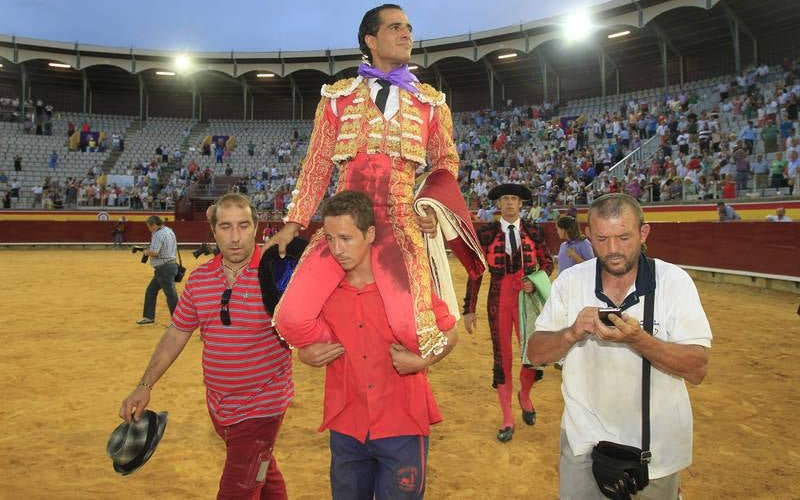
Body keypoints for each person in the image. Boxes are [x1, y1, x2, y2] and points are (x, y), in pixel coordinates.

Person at [269, 3, 484, 360]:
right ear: (371, 39)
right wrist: (294, 223)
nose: (407, 34)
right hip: (343, 226)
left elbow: (446, 163)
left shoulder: (431, 103)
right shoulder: (337, 98)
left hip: (399, 224)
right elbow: (317, 163)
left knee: (412, 330)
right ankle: (354, 346)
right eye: (395, 27)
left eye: (409, 28)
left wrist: (429, 203)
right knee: (290, 319)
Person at [527, 193, 712, 500]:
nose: (613, 250)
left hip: (657, 452)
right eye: (602, 239)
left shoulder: (674, 282)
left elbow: (697, 368)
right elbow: (535, 353)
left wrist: (639, 339)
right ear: (588, 236)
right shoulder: (570, 282)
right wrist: (571, 333)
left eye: (624, 237)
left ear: (643, 233)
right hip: (584, 445)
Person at [280, 191, 456, 499]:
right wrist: (305, 356)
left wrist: (423, 362)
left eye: (346, 238)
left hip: (402, 424)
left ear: (370, 234)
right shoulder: (321, 295)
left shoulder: (407, 287)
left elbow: (450, 334)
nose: (337, 249)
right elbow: (306, 340)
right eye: (330, 240)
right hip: (347, 428)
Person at [118, 193, 293, 499]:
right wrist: (144, 384)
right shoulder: (200, 280)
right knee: (263, 474)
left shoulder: (277, 275)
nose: (235, 237)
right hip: (219, 407)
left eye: (243, 225)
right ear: (213, 232)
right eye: (226, 227)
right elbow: (176, 333)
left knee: (238, 488)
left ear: (256, 228)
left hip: (262, 407)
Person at [463, 183, 553, 442]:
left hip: (527, 297)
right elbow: (476, 271)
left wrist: (535, 279)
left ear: (521, 204)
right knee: (502, 356)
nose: (510, 203)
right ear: (499, 204)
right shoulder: (488, 233)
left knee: (531, 351)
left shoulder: (534, 231)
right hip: (498, 296)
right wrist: (469, 309)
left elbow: (547, 262)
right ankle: (507, 417)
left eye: (514, 199)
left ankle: (524, 395)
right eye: (505, 199)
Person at [136, 215, 180, 325]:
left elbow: (155, 252)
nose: (149, 229)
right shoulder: (169, 230)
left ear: (154, 225)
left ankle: (178, 321)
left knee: (171, 295)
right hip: (170, 266)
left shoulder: (158, 234)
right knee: (151, 291)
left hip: (163, 268)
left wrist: (146, 252)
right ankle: (148, 317)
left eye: (149, 227)